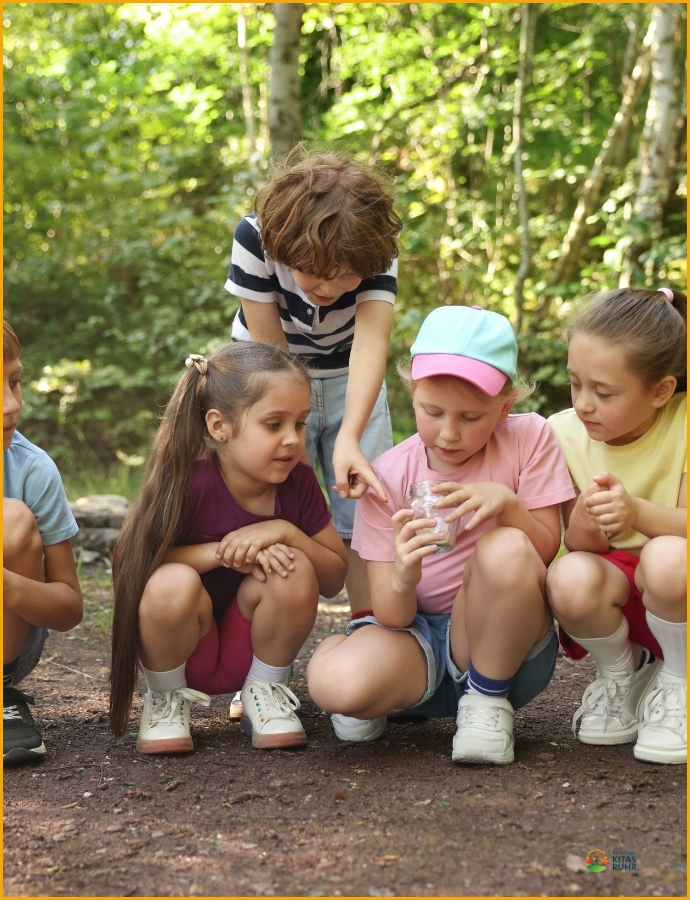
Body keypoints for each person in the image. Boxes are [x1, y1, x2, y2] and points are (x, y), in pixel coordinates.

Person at [307, 306, 575, 765]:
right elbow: (392, 615)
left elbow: (545, 549)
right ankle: (361, 668)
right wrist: (404, 573)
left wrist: (509, 505)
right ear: (412, 393)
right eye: (433, 412)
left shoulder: (529, 437)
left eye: (471, 417)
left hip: (508, 649)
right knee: (336, 686)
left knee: (507, 546)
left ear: (504, 407)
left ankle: (486, 705)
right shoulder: (388, 476)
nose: (449, 433)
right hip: (417, 644)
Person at [109, 342, 348, 755]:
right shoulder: (188, 481)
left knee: (293, 566)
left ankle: (266, 694)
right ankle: (165, 700)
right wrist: (223, 552)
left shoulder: (300, 484)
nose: (293, 440)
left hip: (252, 651)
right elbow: (130, 563)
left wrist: (286, 533)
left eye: (301, 423)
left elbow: (332, 579)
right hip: (183, 650)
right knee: (170, 581)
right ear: (219, 426)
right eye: (274, 425)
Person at [224, 146, 402, 622]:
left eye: (346, 277)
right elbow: (272, 352)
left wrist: (348, 438)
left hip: (351, 376)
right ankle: (260, 641)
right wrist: (292, 443)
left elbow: (370, 344)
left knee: (364, 505)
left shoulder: (373, 247)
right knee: (271, 500)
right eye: (314, 275)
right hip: (267, 375)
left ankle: (368, 628)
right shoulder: (255, 237)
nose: (328, 289)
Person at [546, 287, 686, 765]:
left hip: (677, 590)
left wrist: (637, 513)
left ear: (661, 391)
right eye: (575, 384)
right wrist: (585, 521)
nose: (584, 404)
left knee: (668, 556)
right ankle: (623, 674)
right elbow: (578, 546)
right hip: (622, 598)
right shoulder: (562, 434)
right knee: (567, 577)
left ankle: (679, 683)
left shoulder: (683, 425)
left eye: (603, 392)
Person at [3, 319, 82, 763]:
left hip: (10, 641)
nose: (11, 405)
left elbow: (70, 607)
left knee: (11, 519)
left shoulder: (32, 470)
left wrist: (8, 586)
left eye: (15, 382)